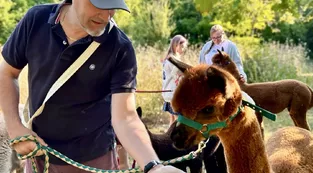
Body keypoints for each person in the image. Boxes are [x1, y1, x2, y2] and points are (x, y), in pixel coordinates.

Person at [0, 0, 184, 172]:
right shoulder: (35, 20)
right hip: (39, 155)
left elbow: (126, 117)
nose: (106, 16)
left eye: (113, 7)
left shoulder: (120, 47)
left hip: (96, 159)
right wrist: (15, 127)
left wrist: (154, 166)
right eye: (100, 4)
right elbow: (7, 73)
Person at [162, 35, 188, 126]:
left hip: (168, 91)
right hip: (172, 92)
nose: (183, 49)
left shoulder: (169, 57)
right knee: (178, 118)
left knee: (172, 118)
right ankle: (175, 138)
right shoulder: (173, 59)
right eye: (182, 47)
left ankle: (170, 138)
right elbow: (175, 74)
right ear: (176, 46)